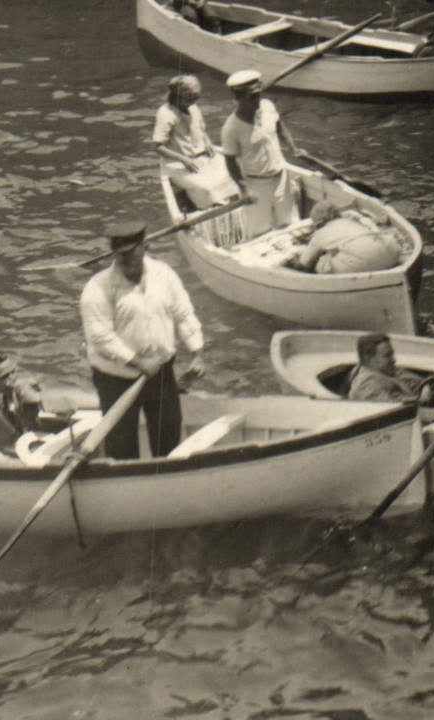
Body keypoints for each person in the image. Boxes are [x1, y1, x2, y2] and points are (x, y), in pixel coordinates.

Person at [80, 220, 208, 459]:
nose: (127, 262)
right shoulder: (97, 288)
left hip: (160, 374)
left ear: (145, 247)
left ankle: (165, 486)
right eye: (121, 256)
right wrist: (138, 362)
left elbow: (183, 313)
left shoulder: (165, 274)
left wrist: (197, 352)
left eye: (132, 254)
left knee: (168, 438)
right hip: (115, 379)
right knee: (122, 447)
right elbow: (100, 338)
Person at [221, 68, 301, 236]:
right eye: (252, 96)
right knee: (260, 231)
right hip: (256, 183)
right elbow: (230, 161)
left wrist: (293, 148)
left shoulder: (268, 106)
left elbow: (280, 127)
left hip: (281, 177)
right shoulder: (231, 128)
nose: (257, 100)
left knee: (289, 224)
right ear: (237, 97)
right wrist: (244, 188)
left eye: (259, 94)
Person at [153, 74, 239, 209]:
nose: (193, 103)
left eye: (195, 99)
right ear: (178, 96)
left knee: (235, 170)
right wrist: (183, 159)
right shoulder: (166, 114)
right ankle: (208, 206)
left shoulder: (192, 107)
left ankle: (232, 203)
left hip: (201, 156)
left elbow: (200, 128)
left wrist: (207, 141)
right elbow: (158, 147)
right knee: (208, 187)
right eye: (190, 99)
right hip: (178, 164)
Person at [288, 197, 402, 274]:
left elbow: (303, 264)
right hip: (390, 250)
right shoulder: (350, 222)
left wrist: (291, 263)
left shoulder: (320, 234)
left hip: (363, 262)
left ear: (319, 223)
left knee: (322, 265)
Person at [346, 332, 434, 405]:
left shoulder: (388, 371)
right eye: (387, 355)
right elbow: (394, 409)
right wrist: (422, 400)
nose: (394, 360)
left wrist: (426, 386)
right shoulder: (366, 385)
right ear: (368, 358)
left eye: (392, 354)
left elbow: (415, 382)